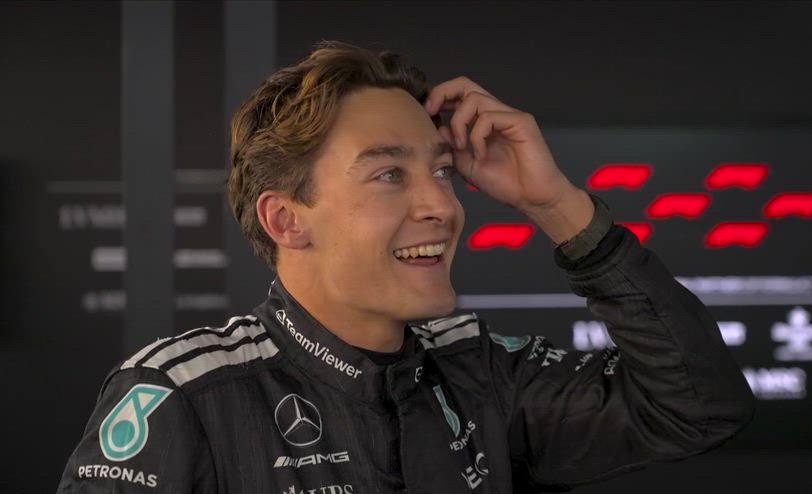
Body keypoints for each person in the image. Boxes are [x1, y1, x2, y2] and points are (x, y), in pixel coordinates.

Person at [57, 41, 755, 493]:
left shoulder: (479, 371)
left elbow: (699, 407)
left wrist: (555, 204)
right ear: (286, 220)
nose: (442, 207)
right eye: (390, 174)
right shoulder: (183, 395)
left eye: (443, 172)